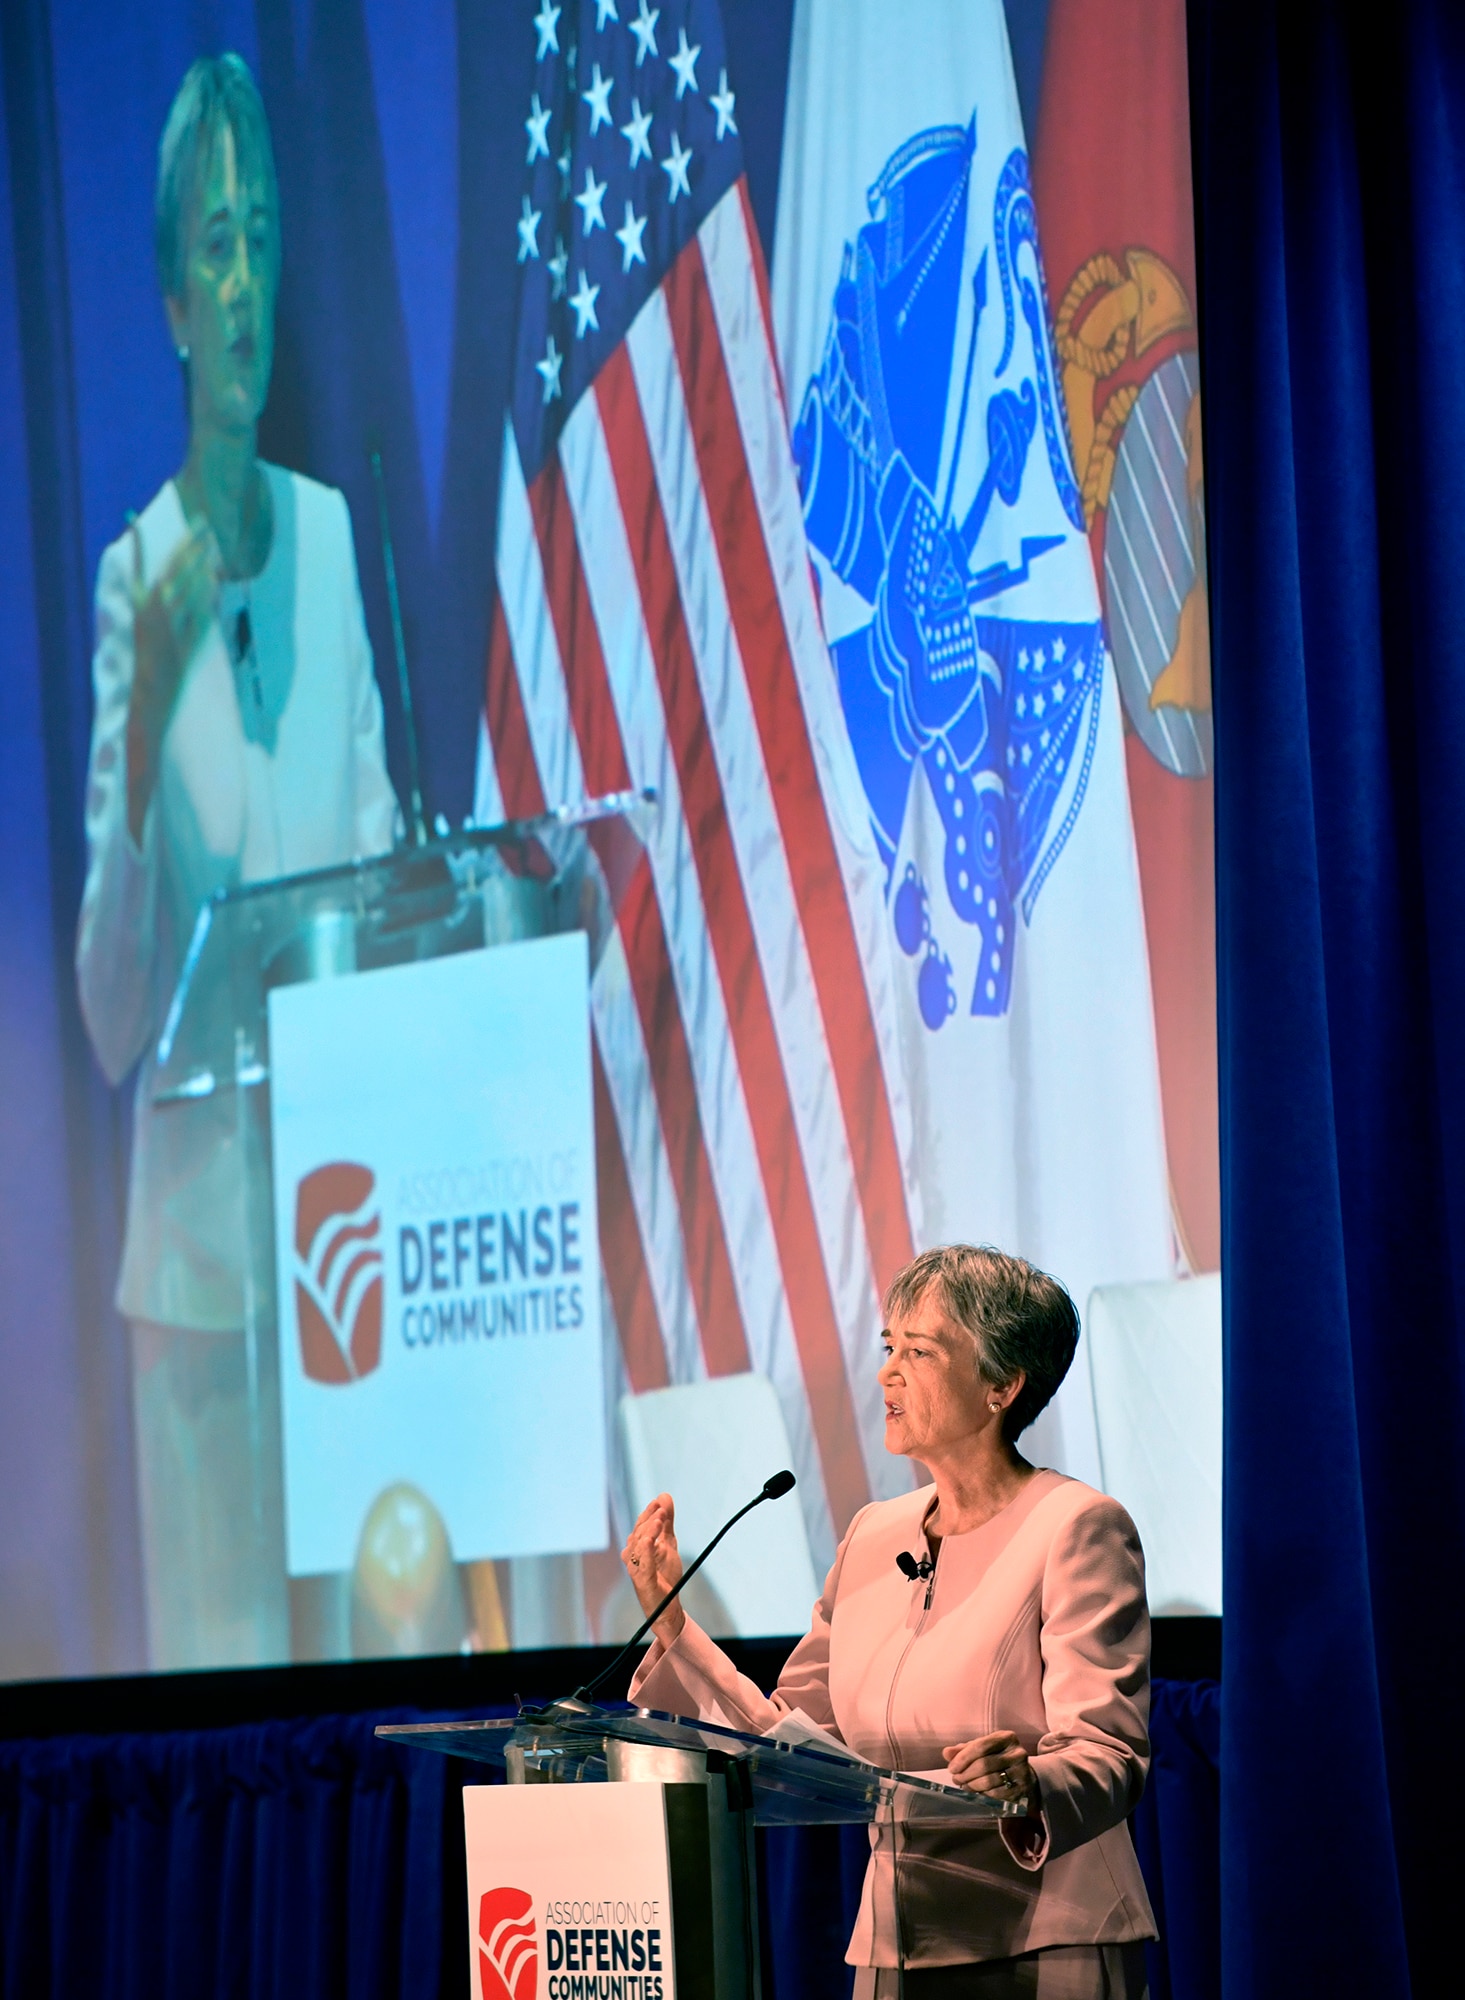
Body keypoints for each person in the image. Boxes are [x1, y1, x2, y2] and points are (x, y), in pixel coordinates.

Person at [76, 54, 398, 1669]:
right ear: (173, 300)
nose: (248, 277)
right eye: (215, 244)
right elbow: (112, 1015)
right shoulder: (138, 576)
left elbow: (388, 867)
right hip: (201, 1271)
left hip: (344, 1245)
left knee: (369, 1665)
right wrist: (137, 771)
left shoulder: (335, 541)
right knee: (224, 1679)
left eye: (263, 234)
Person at [621, 1245, 1157, 1999]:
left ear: (1001, 1384)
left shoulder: (1075, 1527)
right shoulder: (875, 1535)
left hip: (1044, 1935)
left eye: (919, 1351)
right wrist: (670, 1620)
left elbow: (1108, 1752)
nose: (887, 1373)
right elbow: (786, 1741)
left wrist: (1026, 1782)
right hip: (898, 1942)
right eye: (887, 1348)